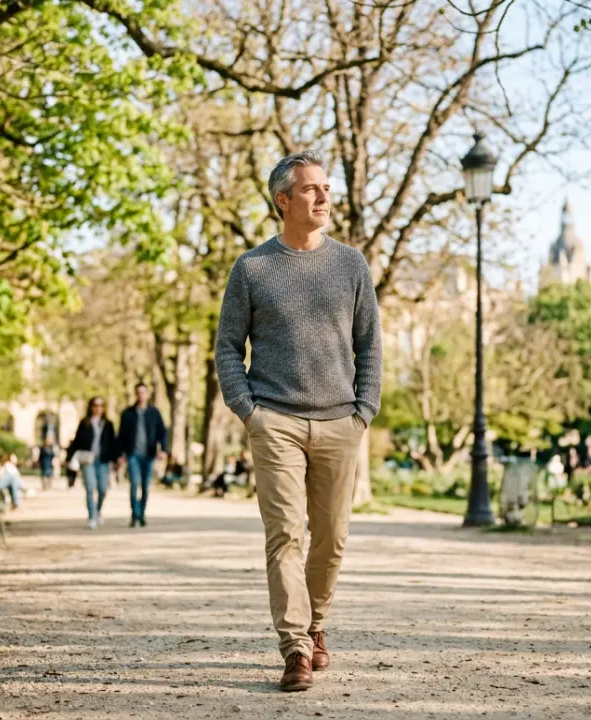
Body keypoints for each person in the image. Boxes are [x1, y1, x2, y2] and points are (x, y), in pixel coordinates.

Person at [215, 150, 382, 692]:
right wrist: (249, 411)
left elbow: (369, 346)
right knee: (286, 536)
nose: (324, 196)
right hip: (276, 422)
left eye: (326, 188)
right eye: (311, 189)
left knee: (331, 539)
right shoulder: (252, 269)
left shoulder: (351, 265)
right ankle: (295, 648)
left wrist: (363, 412)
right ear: (283, 200)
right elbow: (227, 348)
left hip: (340, 422)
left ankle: (316, 623)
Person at [115, 383, 168, 528]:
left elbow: (162, 432)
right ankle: (135, 514)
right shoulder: (128, 413)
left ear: (148, 394)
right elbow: (121, 436)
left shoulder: (154, 412)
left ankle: (142, 514)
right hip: (133, 455)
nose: (141, 395)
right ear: (135, 394)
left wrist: (163, 449)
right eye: (138, 392)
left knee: (145, 486)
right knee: (134, 484)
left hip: (149, 454)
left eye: (143, 392)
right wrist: (120, 454)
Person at [66, 397, 117, 529]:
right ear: (91, 407)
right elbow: (76, 442)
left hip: (103, 461)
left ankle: (98, 510)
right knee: (90, 488)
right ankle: (92, 517)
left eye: (101, 405)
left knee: (102, 489)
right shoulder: (85, 423)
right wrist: (69, 458)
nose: (98, 408)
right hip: (88, 460)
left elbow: (113, 443)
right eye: (95, 405)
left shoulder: (108, 424)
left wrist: (116, 459)